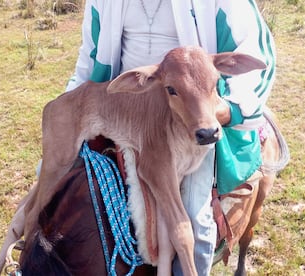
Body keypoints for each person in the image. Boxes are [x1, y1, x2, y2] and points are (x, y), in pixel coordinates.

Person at [65, 0, 276, 275]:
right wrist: (68, 107)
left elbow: (256, 55)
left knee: (195, 222)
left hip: (189, 114)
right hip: (122, 105)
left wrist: (226, 110)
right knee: (58, 188)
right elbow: (88, 57)